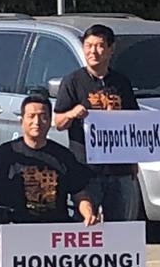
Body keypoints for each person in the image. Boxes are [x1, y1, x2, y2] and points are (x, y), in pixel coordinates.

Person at [54, 24, 141, 222]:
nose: (93, 51)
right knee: (86, 224)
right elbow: (58, 122)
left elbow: (134, 124)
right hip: (86, 169)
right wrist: (72, 113)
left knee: (121, 227)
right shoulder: (72, 81)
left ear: (111, 49)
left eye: (100, 46)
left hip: (120, 169)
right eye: (88, 46)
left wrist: (134, 161)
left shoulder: (121, 82)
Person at [0, 93, 98, 226]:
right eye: (31, 116)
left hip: (55, 228)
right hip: (16, 227)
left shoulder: (64, 156)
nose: (37, 122)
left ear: (50, 121)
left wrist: (88, 213)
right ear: (21, 121)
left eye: (43, 117)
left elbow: (80, 193)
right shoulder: (5, 154)